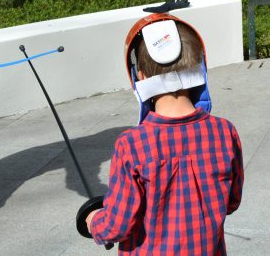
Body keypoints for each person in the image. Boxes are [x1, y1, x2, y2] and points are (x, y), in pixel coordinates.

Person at [84, 13, 244, 253]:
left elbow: (117, 226)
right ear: (200, 68)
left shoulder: (132, 145)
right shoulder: (224, 132)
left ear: (140, 77)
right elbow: (231, 202)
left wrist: (93, 220)